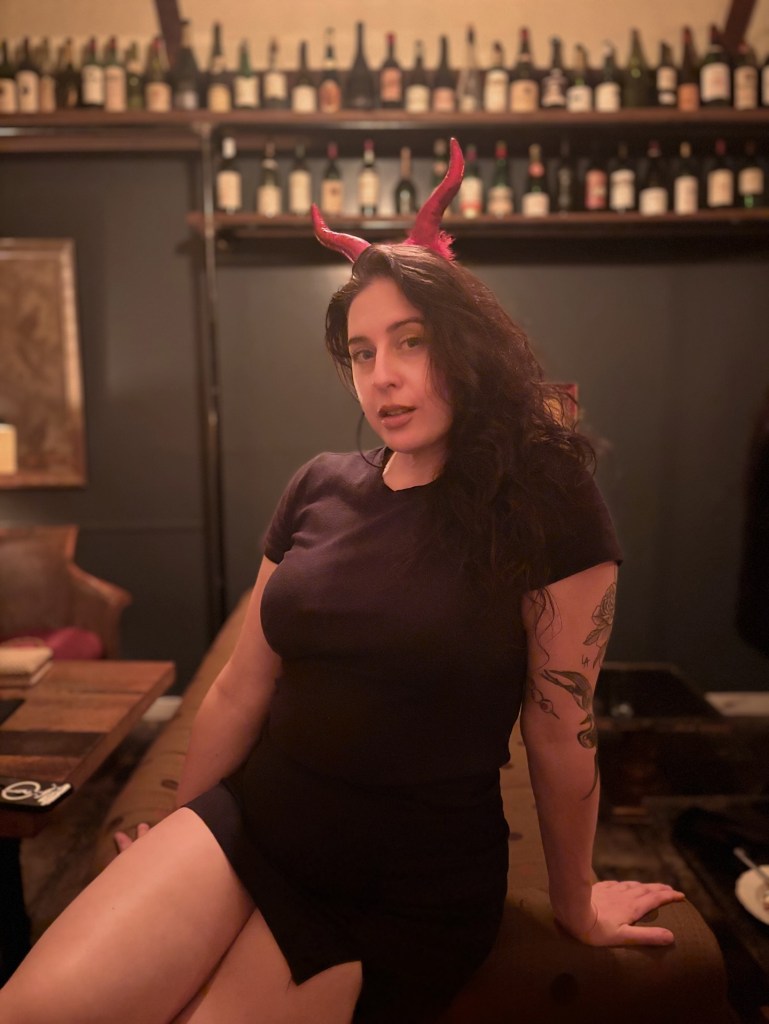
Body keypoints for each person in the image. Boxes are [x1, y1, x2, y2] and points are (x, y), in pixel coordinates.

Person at [0, 139, 686, 1024]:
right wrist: (184, 821)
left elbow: (561, 729)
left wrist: (574, 897)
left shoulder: (546, 497)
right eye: (361, 353)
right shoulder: (319, 482)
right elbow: (244, 685)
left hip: (403, 877)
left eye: (411, 342)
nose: (383, 377)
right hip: (256, 820)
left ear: (469, 349)